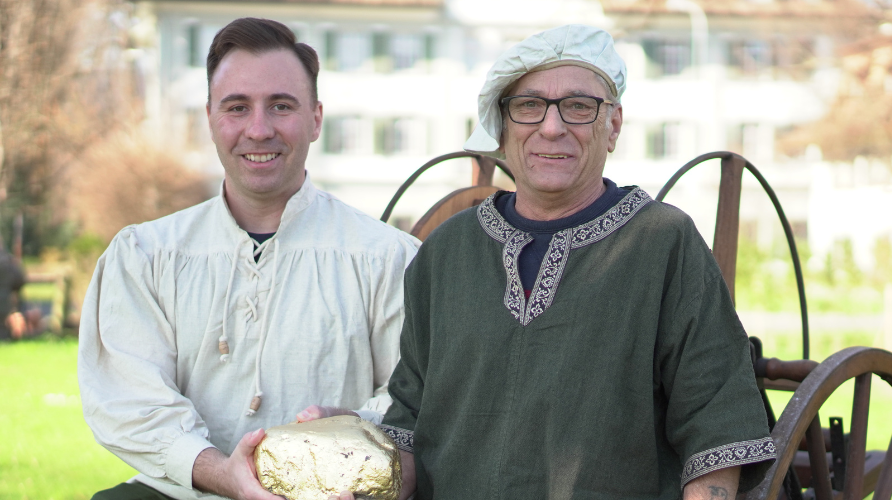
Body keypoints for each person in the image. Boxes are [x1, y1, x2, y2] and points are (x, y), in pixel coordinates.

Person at [377, 25, 776, 500]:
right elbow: (407, 423)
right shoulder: (447, 251)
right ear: (501, 126)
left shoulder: (664, 243)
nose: (552, 127)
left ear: (613, 125)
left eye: (579, 107)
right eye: (528, 106)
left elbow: (715, 428)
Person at [78, 18, 419, 500]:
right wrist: (222, 473)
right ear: (211, 117)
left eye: (281, 106)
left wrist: (351, 428)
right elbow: (129, 399)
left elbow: (414, 398)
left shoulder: (388, 258)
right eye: (237, 108)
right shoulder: (146, 256)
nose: (258, 130)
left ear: (316, 118)